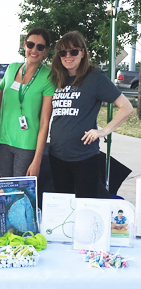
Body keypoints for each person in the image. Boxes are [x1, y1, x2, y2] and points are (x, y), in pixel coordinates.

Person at [49, 31, 133, 198]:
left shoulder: (95, 77)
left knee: (86, 206)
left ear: (82, 52)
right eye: (63, 52)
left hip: (84, 158)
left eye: (73, 51)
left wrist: (103, 131)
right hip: (57, 155)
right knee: (64, 206)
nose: (68, 56)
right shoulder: (57, 78)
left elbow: (126, 107)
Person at [0, 28, 55, 178]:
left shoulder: (48, 77)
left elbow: (44, 122)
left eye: (40, 47)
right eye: (30, 44)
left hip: (27, 145)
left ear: (46, 50)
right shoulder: (11, 68)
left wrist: (37, 160)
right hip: (3, 141)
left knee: (22, 195)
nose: (34, 50)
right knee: (6, 194)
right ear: (24, 45)